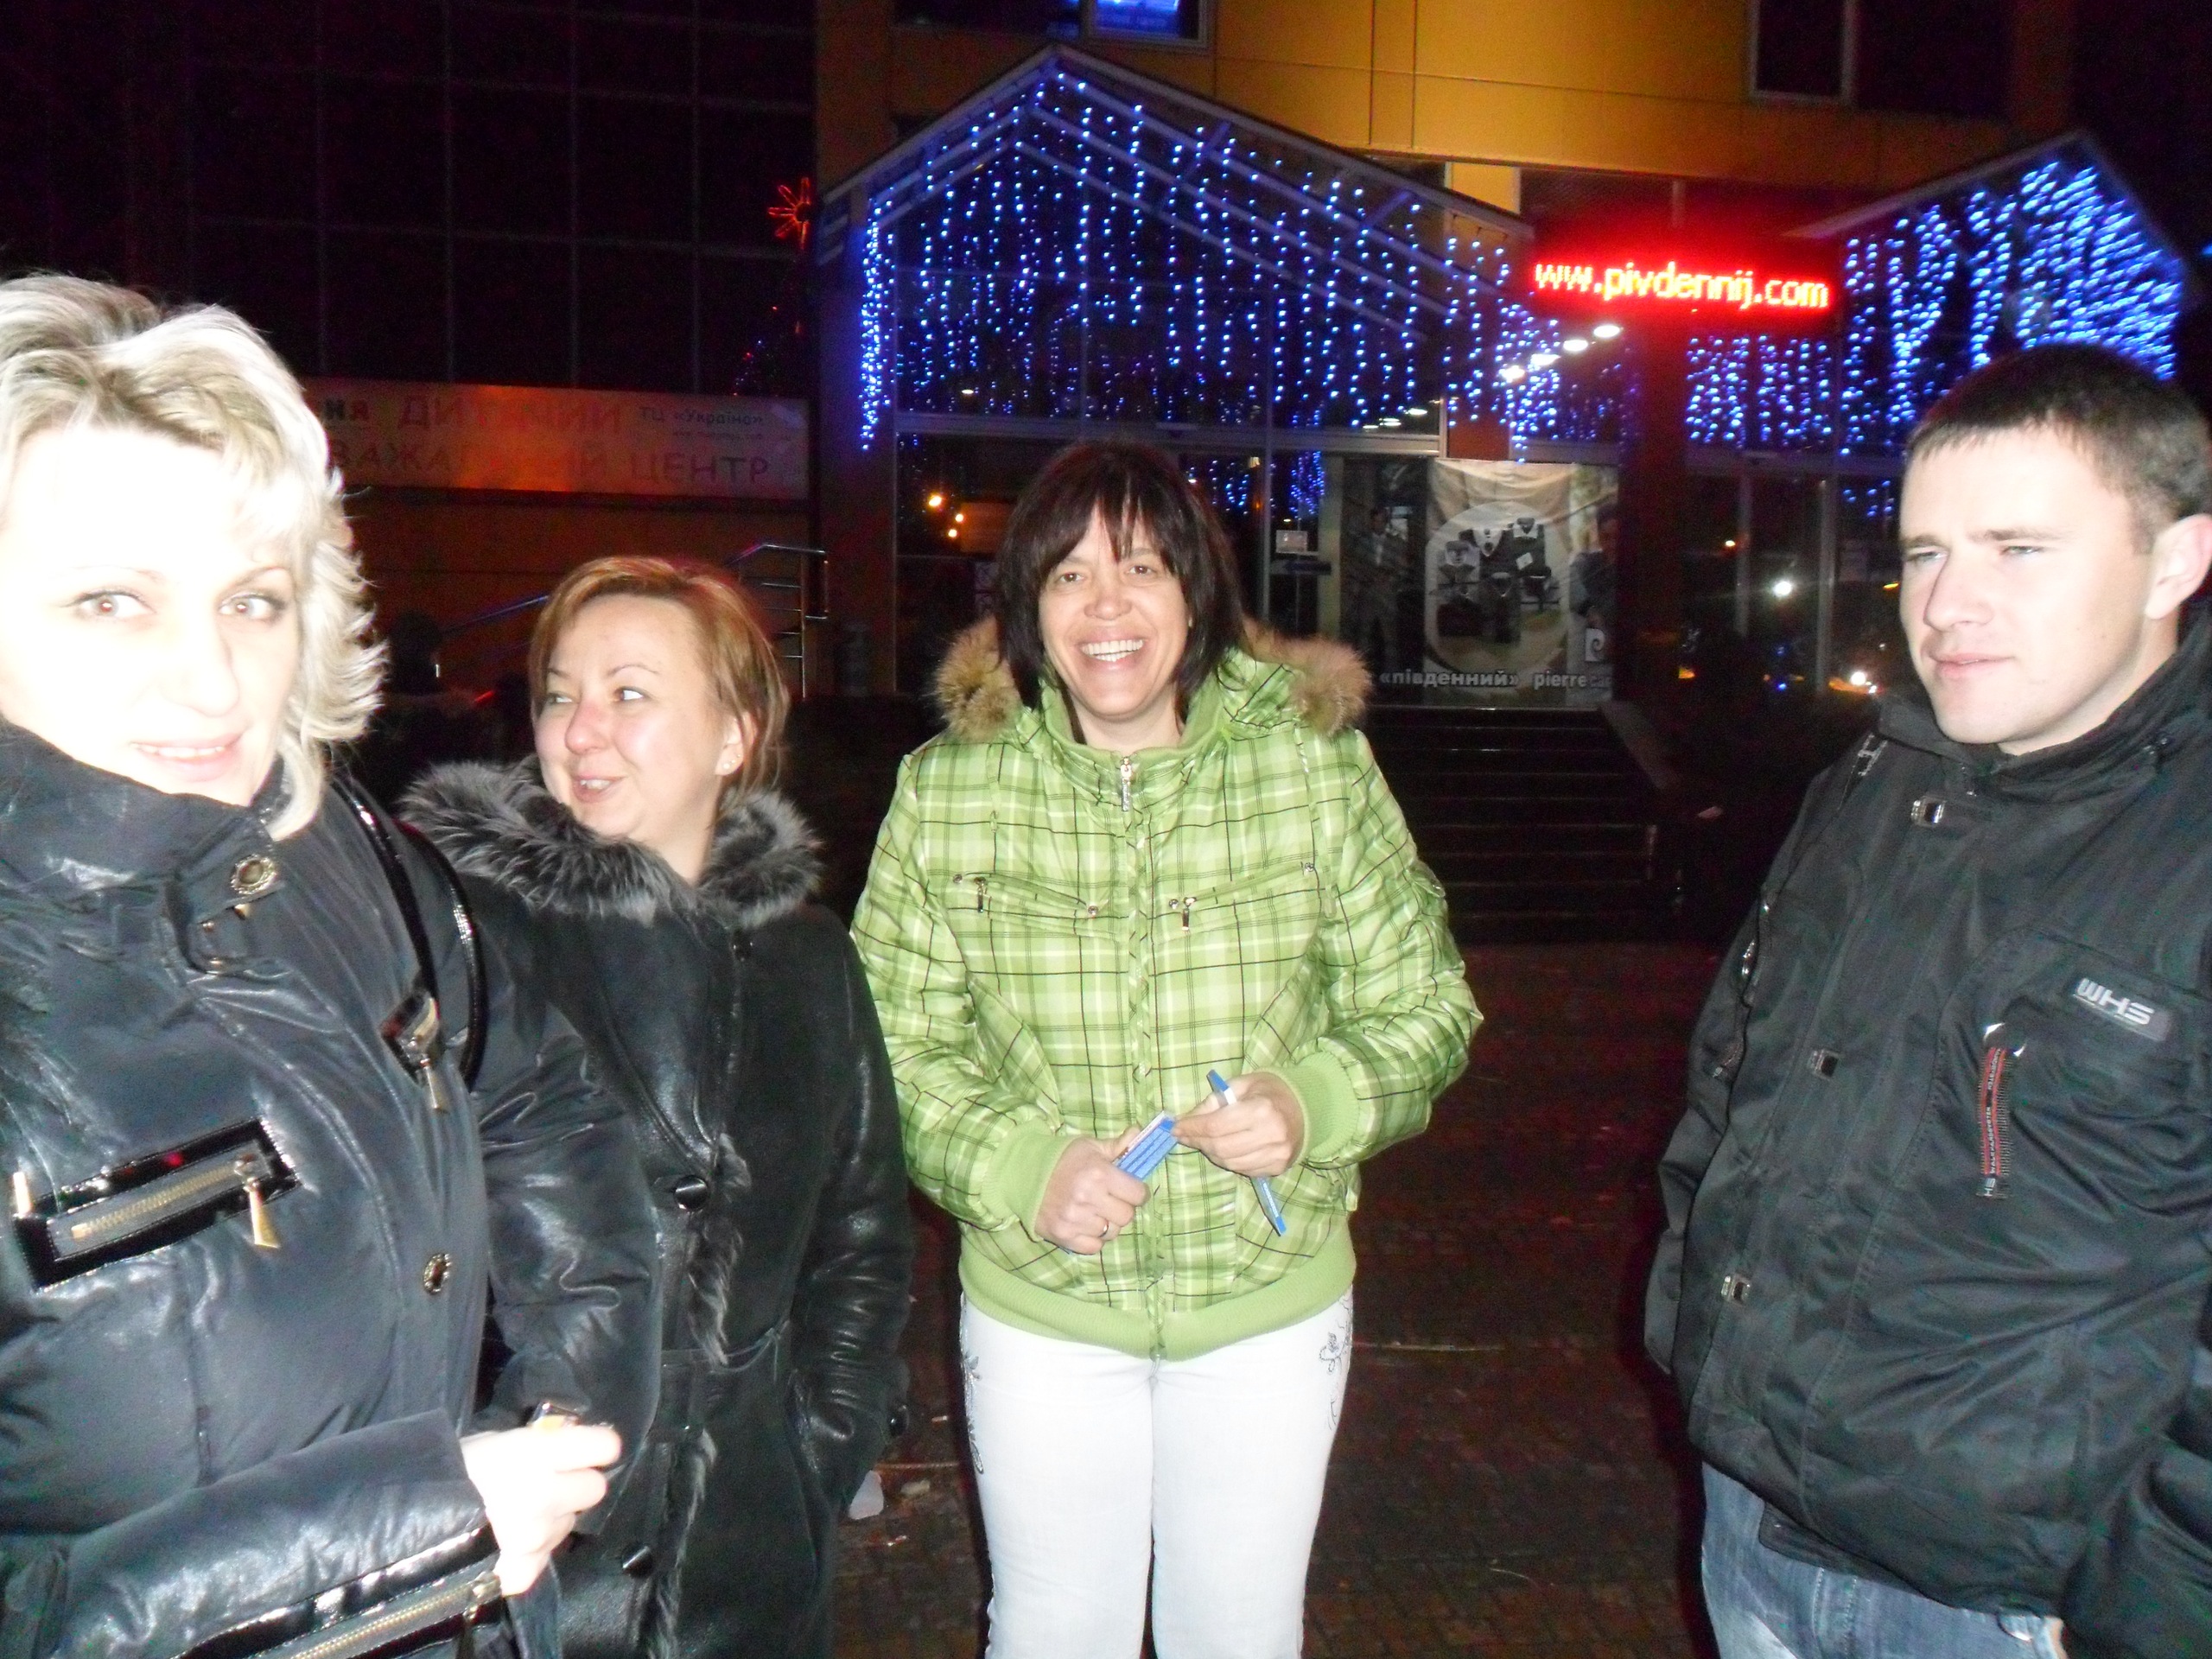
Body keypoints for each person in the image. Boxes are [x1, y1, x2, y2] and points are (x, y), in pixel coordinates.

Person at [0, 274, 660, 1657]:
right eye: (112, 601)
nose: (215, 683)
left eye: (253, 600)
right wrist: (410, 1536)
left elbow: (541, 1101)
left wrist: (572, 1423)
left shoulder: (334, 841)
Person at [852, 441, 1478, 1658]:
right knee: (1050, 1633)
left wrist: (1311, 1101)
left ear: (1198, 594)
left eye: (1141, 568)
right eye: (1069, 575)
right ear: (1027, 608)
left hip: (1265, 1302)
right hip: (1042, 1310)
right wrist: (1022, 1165)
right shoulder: (950, 790)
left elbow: (1426, 1001)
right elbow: (889, 1046)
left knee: (1237, 1634)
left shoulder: (1311, 766)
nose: (1107, 606)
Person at [1645, 343, 2212, 1659]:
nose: (1948, 603)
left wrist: (2149, 1602)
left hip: (2014, 1598)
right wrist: (1698, 1341)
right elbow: (1732, 1084)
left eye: (2019, 549)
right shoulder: (1875, 784)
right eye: (1924, 553)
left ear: (2173, 564)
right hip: (1756, 1520)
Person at [405, 556, 913, 1658]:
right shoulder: (461, 945)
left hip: (751, 1546)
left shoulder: (808, 959)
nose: (580, 730)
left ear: (733, 736)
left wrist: (821, 1449)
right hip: (530, 1560)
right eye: (558, 695)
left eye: (628, 693)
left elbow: (861, 1233)